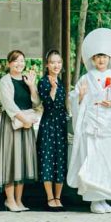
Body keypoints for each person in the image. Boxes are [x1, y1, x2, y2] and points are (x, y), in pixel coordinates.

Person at [68, 28, 111, 214]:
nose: (101, 60)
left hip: (108, 126)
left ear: (110, 58)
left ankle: (103, 198)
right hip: (92, 127)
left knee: (107, 162)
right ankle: (94, 201)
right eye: (98, 56)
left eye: (104, 56)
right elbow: (74, 99)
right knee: (93, 162)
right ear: (92, 59)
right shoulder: (86, 78)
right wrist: (80, 97)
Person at [0, 50, 40, 211]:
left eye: (22, 61)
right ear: (9, 63)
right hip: (12, 124)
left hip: (25, 125)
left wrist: (32, 86)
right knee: (11, 160)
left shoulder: (27, 80)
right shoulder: (5, 80)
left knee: (22, 161)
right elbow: (8, 104)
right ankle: (10, 200)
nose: (19, 64)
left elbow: (36, 103)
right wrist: (24, 120)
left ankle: (19, 200)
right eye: (15, 61)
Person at [37, 50, 68, 211]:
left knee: (60, 160)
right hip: (49, 125)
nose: (56, 65)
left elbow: (64, 105)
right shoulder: (43, 82)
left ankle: (58, 197)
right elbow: (48, 104)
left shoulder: (61, 82)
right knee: (48, 160)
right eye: (53, 62)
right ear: (47, 65)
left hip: (60, 125)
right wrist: (53, 91)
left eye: (59, 62)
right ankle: (49, 197)